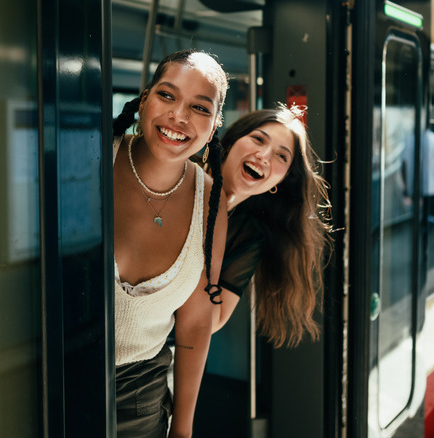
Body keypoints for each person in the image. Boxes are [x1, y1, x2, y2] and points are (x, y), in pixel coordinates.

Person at [111, 49, 229, 438]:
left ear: (213, 127)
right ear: (144, 100)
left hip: (140, 395)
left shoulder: (211, 204)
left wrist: (182, 427)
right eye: (167, 95)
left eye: (199, 107)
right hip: (49, 377)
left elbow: (195, 322)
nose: (179, 115)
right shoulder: (92, 157)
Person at [206, 106, 331, 347]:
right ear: (232, 141)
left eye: (281, 156)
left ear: (281, 181)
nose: (263, 156)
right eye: (258, 139)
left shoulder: (248, 235)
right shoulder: (183, 177)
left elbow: (214, 321)